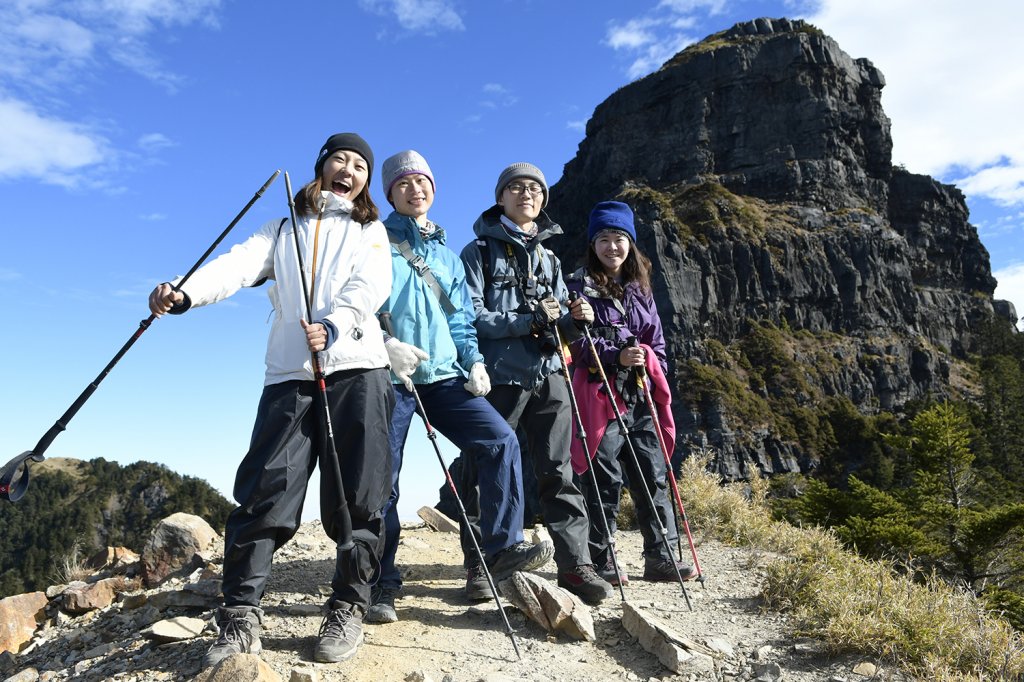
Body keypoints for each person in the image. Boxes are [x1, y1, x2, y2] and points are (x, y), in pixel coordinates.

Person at [148, 133, 394, 667]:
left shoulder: (370, 230)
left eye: (359, 165)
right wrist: (185, 290)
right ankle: (239, 614)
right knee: (266, 491)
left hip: (357, 370)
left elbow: (370, 285)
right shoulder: (282, 227)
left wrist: (335, 324)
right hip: (290, 375)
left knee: (360, 496)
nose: (348, 169)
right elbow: (236, 265)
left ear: (365, 181)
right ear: (321, 166)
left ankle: (350, 604)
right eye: (339, 159)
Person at [367, 150, 553, 624]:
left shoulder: (447, 257)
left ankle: (501, 547)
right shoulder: (373, 243)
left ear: (433, 189)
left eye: (422, 182)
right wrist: (386, 343)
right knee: (383, 480)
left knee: (499, 440)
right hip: (391, 376)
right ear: (389, 192)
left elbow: (460, 320)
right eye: (404, 183)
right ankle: (382, 582)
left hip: (445, 377)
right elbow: (357, 305)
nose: (415, 189)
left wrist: (473, 362)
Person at [458, 163, 613, 605]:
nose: (526, 194)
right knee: (485, 467)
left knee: (558, 470)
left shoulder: (551, 259)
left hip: (550, 374)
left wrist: (572, 319)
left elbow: (559, 321)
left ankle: (575, 566)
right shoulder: (479, 252)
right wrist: (529, 321)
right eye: (516, 187)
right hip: (499, 375)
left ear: (542, 201)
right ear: (500, 197)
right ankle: (481, 564)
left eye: (534, 189)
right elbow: (471, 318)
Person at [566, 200, 697, 586]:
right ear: (593, 245)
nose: (612, 247)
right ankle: (602, 559)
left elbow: (656, 341)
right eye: (603, 239)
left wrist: (652, 366)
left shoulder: (640, 290)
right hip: (599, 393)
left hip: (638, 394)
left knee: (652, 473)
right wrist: (616, 356)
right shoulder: (577, 286)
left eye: (619, 238)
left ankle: (662, 558)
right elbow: (575, 343)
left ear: (630, 244)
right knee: (603, 477)